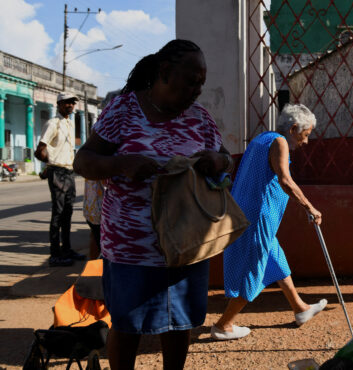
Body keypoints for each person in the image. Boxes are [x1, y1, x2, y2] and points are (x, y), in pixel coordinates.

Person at [73, 39, 232, 370]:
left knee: (179, 324)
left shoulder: (200, 118)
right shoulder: (123, 110)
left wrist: (215, 161)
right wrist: (122, 164)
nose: (197, 90)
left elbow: (225, 158)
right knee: (128, 326)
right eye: (191, 81)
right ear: (164, 72)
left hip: (186, 244)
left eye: (201, 83)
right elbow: (83, 161)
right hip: (132, 248)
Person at [210, 103, 327, 341]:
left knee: (275, 259)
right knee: (254, 268)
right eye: (305, 136)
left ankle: (300, 309)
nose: (305, 142)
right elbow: (285, 179)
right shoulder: (281, 142)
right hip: (259, 215)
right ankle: (224, 325)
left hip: (249, 212)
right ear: (293, 128)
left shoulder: (263, 138)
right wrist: (310, 207)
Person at [35, 92, 86, 267]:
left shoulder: (69, 123)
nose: (71, 105)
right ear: (58, 104)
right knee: (58, 213)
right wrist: (49, 165)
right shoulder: (53, 123)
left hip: (69, 171)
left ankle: (67, 249)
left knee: (68, 212)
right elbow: (40, 149)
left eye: (73, 103)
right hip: (58, 171)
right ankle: (55, 254)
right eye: (67, 103)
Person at [82, 178, 104, 259]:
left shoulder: (88, 167)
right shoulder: (101, 167)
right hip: (99, 211)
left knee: (95, 237)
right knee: (101, 245)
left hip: (91, 209)